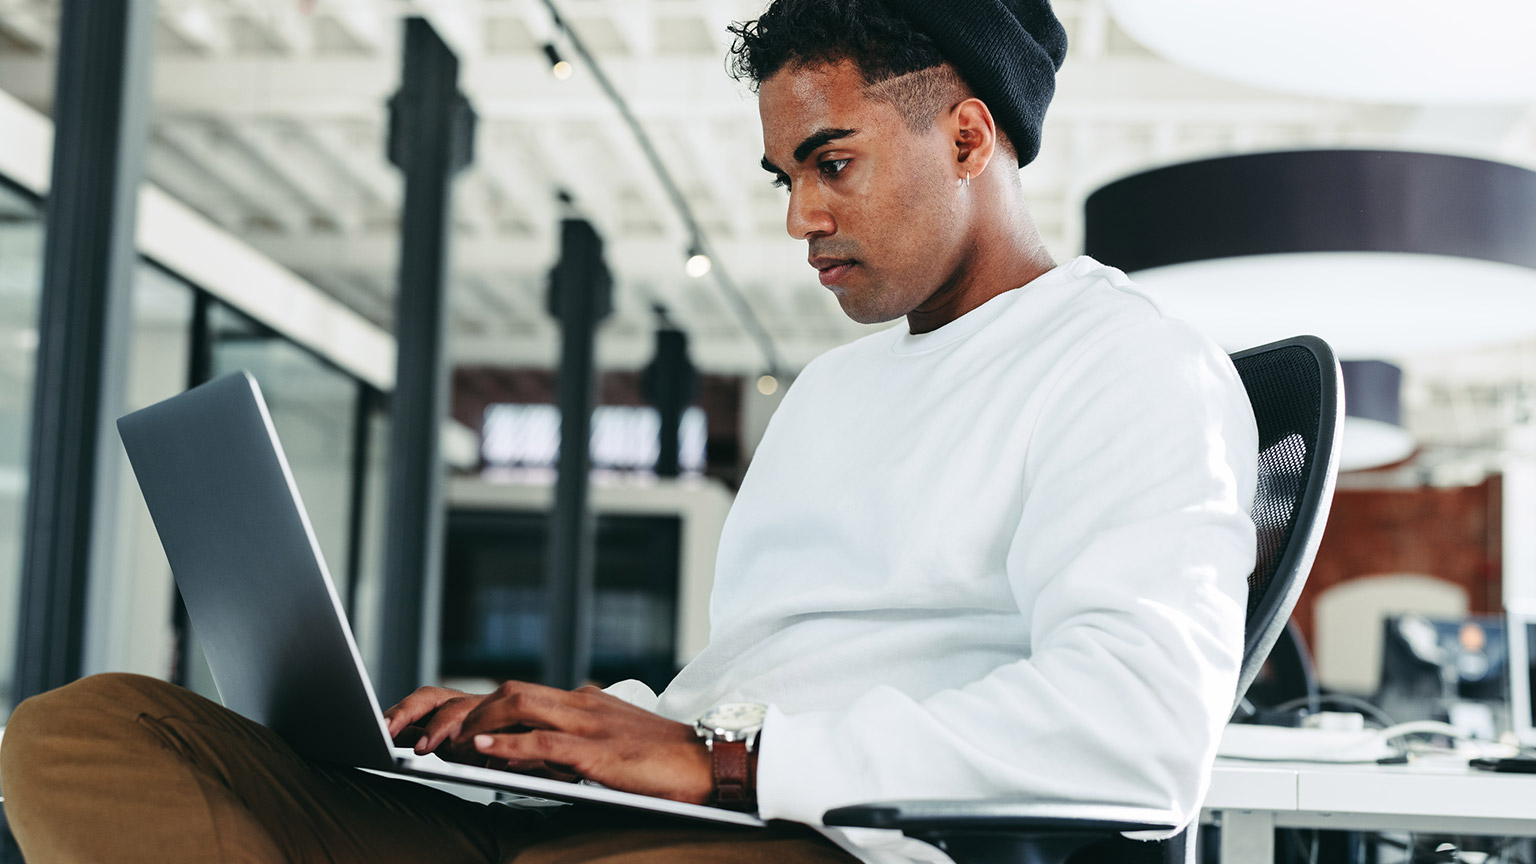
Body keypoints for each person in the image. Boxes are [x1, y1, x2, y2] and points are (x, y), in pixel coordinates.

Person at [0, 0, 1258, 862]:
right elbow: (744, 679)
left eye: (832, 162)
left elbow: (1139, 734)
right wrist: (564, 730)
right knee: (90, 733)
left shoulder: (1128, 364)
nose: (799, 218)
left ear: (969, 135)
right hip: (662, 814)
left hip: (816, 839)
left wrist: (721, 764)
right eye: (784, 179)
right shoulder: (832, 394)